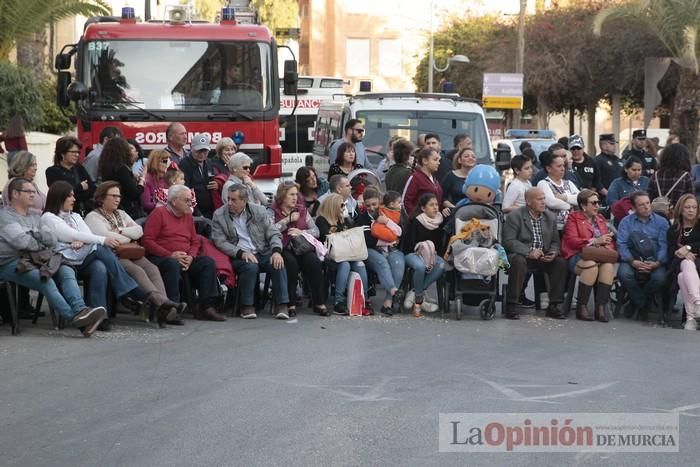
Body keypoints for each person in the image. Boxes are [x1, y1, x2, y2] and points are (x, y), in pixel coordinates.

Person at [42, 181, 181, 330]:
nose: (74, 199)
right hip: (64, 260)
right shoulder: (49, 217)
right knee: (102, 250)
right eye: (70, 196)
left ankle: (101, 317)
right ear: (59, 197)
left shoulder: (75, 216)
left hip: (83, 257)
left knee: (100, 267)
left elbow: (87, 235)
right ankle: (142, 296)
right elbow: (74, 234)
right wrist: (101, 239)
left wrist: (88, 239)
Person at [0, 178, 106, 337]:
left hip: (38, 258)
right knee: (45, 280)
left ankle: (81, 310)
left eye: (34, 192)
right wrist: (38, 237)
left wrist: (34, 236)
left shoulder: (36, 216)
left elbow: (51, 240)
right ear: (15, 194)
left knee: (66, 269)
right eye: (29, 192)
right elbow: (21, 242)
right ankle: (75, 319)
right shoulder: (4, 216)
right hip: (11, 262)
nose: (33, 195)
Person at [85, 182, 186, 325]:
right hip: (113, 255)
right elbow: (105, 237)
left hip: (132, 251)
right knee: (137, 271)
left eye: (119, 196)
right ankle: (163, 304)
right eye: (113, 196)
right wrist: (127, 235)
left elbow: (139, 231)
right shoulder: (93, 217)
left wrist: (120, 231)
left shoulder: (121, 214)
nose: (117, 199)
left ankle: (164, 309)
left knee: (153, 269)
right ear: (101, 198)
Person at [142, 185, 226, 321]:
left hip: (186, 257)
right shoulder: (159, 214)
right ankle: (172, 308)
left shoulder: (187, 215)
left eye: (190, 200)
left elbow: (195, 241)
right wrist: (169, 254)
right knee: (172, 264)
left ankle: (206, 307)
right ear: (174, 201)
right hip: (162, 257)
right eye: (186, 200)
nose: (190, 203)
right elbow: (148, 241)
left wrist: (191, 257)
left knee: (207, 263)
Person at [212, 183, 291, 320]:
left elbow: (273, 233)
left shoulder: (259, 211)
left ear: (244, 201)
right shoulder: (219, 215)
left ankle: (282, 304)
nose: (229, 203)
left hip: (261, 251)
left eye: (233, 200)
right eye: (228, 198)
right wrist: (241, 253)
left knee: (278, 262)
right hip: (238, 254)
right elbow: (220, 241)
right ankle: (247, 305)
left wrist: (276, 251)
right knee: (250, 266)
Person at [502, 188, 568, 320]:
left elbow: (555, 241)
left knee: (560, 263)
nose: (543, 202)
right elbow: (508, 241)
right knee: (518, 262)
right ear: (528, 201)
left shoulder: (550, 217)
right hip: (522, 255)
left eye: (544, 198)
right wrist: (529, 252)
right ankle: (512, 305)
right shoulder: (515, 216)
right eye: (539, 199)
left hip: (543, 256)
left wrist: (553, 252)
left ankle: (554, 305)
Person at [271, 182, 328, 316]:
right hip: (282, 246)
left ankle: (318, 302)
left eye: (296, 194)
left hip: (301, 246)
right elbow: (270, 230)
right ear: (282, 196)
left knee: (313, 262)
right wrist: (286, 220)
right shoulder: (273, 210)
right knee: (291, 264)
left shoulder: (302, 209)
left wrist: (301, 232)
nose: (295, 198)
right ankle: (290, 304)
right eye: (291, 194)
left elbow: (316, 231)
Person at [561, 190, 616, 322]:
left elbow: (608, 241)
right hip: (578, 256)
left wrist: (607, 246)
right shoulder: (573, 217)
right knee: (591, 265)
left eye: (598, 203)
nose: (597, 206)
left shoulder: (600, 219)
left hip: (599, 256)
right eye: (593, 203)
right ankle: (582, 306)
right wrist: (594, 241)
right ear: (583, 205)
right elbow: (571, 241)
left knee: (608, 266)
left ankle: (600, 308)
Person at [616, 191, 669, 319]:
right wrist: (632, 261)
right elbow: (621, 244)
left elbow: (664, 245)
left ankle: (634, 303)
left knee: (660, 278)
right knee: (624, 274)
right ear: (633, 208)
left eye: (648, 203)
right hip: (632, 260)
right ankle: (643, 303)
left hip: (655, 260)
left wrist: (657, 262)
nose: (646, 207)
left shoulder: (662, 222)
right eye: (641, 205)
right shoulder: (626, 222)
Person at [316, 193, 370, 316]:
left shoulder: (345, 219)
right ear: (333, 206)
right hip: (331, 254)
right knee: (344, 265)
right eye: (341, 205)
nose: (343, 207)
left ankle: (364, 299)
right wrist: (338, 226)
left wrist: (344, 221)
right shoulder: (322, 220)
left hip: (348, 252)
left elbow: (352, 233)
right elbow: (326, 236)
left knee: (360, 263)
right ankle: (338, 302)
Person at [356, 187, 405, 316]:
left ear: (380, 202)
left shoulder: (387, 214)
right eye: (368, 205)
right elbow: (368, 241)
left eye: (374, 204)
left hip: (391, 249)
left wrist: (387, 222)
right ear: (364, 205)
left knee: (398, 264)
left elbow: (400, 232)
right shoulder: (362, 218)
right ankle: (394, 291)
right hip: (370, 250)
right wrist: (389, 240)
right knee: (381, 261)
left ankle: (388, 302)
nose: (371, 208)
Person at [401, 193, 446, 317]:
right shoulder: (416, 221)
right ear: (423, 208)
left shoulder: (440, 221)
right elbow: (409, 244)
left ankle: (415, 292)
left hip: (432, 254)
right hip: (413, 253)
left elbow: (440, 245)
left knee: (441, 264)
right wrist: (422, 248)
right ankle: (420, 301)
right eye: (431, 205)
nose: (435, 208)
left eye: (437, 204)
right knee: (420, 267)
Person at [666, 194, 700, 330]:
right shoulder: (673, 229)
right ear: (680, 209)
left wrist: (688, 248)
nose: (691, 210)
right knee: (685, 264)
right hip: (678, 264)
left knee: (682, 276)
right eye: (687, 207)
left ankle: (691, 318)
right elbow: (671, 250)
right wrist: (680, 253)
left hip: (697, 264)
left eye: (694, 207)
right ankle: (698, 304)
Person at [46, 136, 96, 215]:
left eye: (78, 152)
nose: (77, 155)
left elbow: (92, 190)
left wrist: (74, 191)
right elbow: (61, 194)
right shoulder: (52, 171)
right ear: (62, 153)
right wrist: (80, 187)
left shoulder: (80, 169)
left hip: (83, 213)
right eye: (73, 152)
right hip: (63, 215)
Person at [97, 137, 145, 219]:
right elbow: (134, 193)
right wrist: (142, 181)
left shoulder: (107, 167)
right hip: (127, 210)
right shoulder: (121, 170)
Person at [647, 143, 693, 217]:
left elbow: (648, 196)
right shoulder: (685, 176)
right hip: (677, 217)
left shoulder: (655, 175)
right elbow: (691, 200)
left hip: (656, 217)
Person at [536, 152, 580, 231]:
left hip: (574, 225)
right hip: (554, 228)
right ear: (549, 168)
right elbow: (552, 202)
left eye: (563, 165)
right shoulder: (543, 183)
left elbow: (581, 198)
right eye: (559, 166)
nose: (563, 169)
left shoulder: (569, 183)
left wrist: (564, 197)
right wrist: (571, 205)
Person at [403, 147, 450, 217]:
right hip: (419, 223)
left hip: (435, 222)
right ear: (425, 161)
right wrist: (416, 218)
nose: (438, 163)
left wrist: (443, 209)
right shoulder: (415, 178)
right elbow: (406, 201)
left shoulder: (434, 179)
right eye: (435, 160)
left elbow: (438, 200)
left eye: (439, 160)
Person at [178, 133, 217, 218]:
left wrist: (216, 185)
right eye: (199, 151)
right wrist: (197, 213)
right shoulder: (185, 164)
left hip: (211, 210)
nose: (202, 154)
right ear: (191, 148)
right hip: (194, 212)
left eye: (205, 151)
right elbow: (185, 190)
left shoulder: (209, 163)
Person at [594, 133, 624, 198]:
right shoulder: (598, 160)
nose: (615, 146)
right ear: (604, 145)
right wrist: (608, 194)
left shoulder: (618, 160)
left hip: (620, 195)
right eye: (612, 144)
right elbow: (597, 182)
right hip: (606, 197)